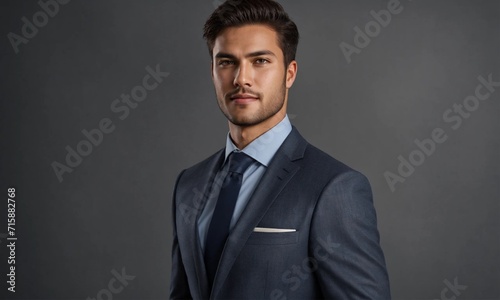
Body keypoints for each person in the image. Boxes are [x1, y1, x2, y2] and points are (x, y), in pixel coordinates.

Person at [170, 0, 391, 299]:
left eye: (260, 61)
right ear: (212, 71)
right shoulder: (189, 185)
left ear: (289, 73)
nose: (241, 79)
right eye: (226, 62)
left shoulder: (335, 188)